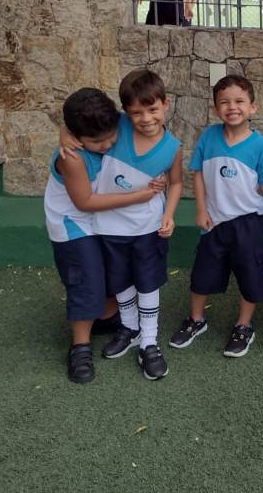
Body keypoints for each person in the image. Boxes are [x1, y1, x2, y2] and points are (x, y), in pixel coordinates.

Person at [45, 88, 165, 383]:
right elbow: (84, 202)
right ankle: (80, 347)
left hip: (107, 219)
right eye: (97, 142)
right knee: (86, 280)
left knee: (114, 269)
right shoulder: (72, 156)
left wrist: (64, 131)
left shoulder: (117, 122)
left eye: (111, 137)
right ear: (78, 137)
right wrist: (138, 196)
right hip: (75, 225)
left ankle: (106, 318)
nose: (108, 144)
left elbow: (148, 123)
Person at [169, 75, 263, 358]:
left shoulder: (260, 145)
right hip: (214, 222)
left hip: (247, 223)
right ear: (215, 109)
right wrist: (201, 209)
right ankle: (196, 319)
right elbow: (198, 174)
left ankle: (244, 325)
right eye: (224, 102)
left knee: (249, 274)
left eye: (239, 101)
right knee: (202, 274)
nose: (232, 107)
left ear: (253, 107)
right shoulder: (208, 137)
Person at [90, 70, 183, 380]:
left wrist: (169, 213)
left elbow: (177, 183)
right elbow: (78, 125)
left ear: (165, 104)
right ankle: (129, 328)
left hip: (147, 227)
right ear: (125, 112)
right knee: (119, 280)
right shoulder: (117, 126)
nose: (145, 119)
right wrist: (65, 137)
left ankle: (149, 341)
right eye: (136, 113)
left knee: (147, 282)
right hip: (109, 225)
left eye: (152, 109)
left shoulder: (172, 147)